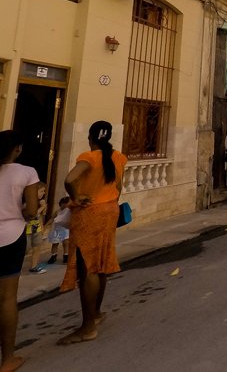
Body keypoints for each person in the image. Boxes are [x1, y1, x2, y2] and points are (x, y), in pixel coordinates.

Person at [58, 120, 127, 346]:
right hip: (110, 210)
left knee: (87, 267)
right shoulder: (118, 157)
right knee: (101, 264)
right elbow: (118, 187)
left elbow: (69, 179)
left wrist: (76, 197)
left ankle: (87, 327)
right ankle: (96, 313)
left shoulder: (89, 157)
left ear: (91, 138)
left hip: (90, 213)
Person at [0, 130, 39, 372]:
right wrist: (22, 212)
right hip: (11, 236)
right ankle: (8, 359)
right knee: (6, 299)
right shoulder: (27, 172)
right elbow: (33, 211)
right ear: (18, 149)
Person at [25, 186, 47, 275]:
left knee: (37, 248)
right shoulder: (27, 203)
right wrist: (42, 207)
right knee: (25, 250)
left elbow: (40, 217)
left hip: (36, 229)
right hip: (26, 230)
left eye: (44, 191)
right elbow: (31, 215)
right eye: (41, 191)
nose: (44, 193)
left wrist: (42, 227)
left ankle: (34, 267)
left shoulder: (41, 203)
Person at [47, 197, 71, 264]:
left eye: (65, 204)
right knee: (55, 243)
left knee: (65, 243)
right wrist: (45, 227)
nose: (63, 205)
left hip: (65, 229)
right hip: (57, 229)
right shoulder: (57, 211)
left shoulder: (69, 211)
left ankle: (66, 256)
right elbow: (51, 219)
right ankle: (53, 256)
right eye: (62, 204)